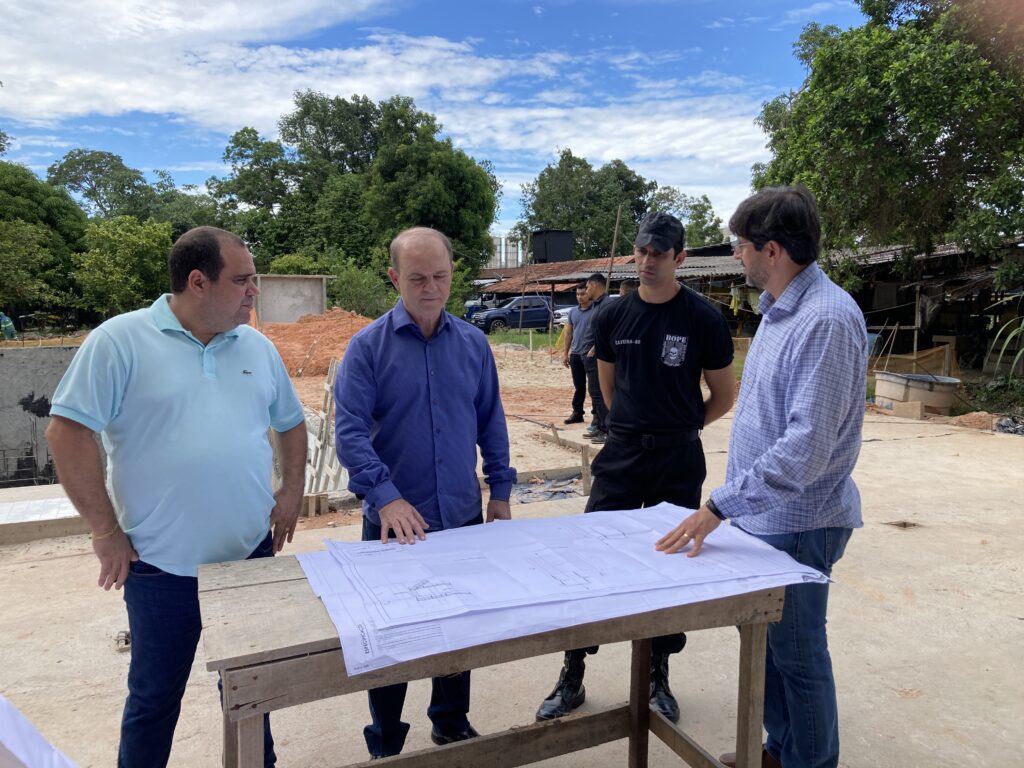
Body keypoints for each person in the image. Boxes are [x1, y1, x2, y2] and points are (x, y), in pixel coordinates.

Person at [46, 226, 307, 768]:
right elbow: (67, 431)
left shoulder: (256, 347)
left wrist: (291, 491)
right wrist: (104, 530)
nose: (254, 291)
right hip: (159, 569)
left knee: (252, 693)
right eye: (242, 280)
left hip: (249, 559)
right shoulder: (120, 341)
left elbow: (291, 422)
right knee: (153, 700)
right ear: (198, 281)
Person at [657, 186, 866, 768]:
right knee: (767, 646)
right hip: (765, 516)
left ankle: (809, 762)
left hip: (800, 521)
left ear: (772, 250)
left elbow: (806, 448)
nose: (736, 255)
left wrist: (719, 506)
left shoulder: (825, 320)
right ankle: (779, 750)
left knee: (798, 655)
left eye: (740, 245)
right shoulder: (780, 310)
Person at [535, 211, 735, 724]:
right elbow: (607, 387)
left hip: (677, 458)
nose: (647, 261)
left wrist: (681, 425)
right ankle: (573, 672)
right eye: (642, 251)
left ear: (679, 258)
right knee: (591, 558)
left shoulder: (703, 318)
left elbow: (723, 395)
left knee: (669, 566)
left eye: (658, 254)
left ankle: (655, 675)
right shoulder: (612, 316)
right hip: (622, 455)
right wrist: (630, 425)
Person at [334, 226, 517, 760]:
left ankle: (450, 722)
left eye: (440, 275)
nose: (431, 287)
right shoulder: (367, 348)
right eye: (418, 278)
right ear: (395, 278)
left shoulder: (474, 344)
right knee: (390, 636)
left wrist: (500, 489)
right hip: (394, 525)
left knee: (458, 628)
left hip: (460, 514)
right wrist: (385, 495)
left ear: (452, 273)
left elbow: (491, 419)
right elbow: (349, 432)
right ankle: (386, 740)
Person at [577, 273, 611, 443]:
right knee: (595, 393)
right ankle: (600, 426)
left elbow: (611, 330)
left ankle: (607, 430)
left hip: (597, 356)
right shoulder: (596, 305)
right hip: (588, 356)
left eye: (588, 287)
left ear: (595, 285)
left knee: (600, 393)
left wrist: (596, 347)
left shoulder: (607, 304)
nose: (586, 290)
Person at [561, 283, 593, 425]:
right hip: (575, 354)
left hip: (590, 354)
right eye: (577, 294)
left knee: (594, 387)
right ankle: (577, 413)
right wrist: (565, 353)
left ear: (589, 293)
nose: (580, 297)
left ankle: (597, 416)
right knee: (579, 386)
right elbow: (569, 333)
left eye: (582, 294)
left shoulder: (596, 310)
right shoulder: (573, 312)